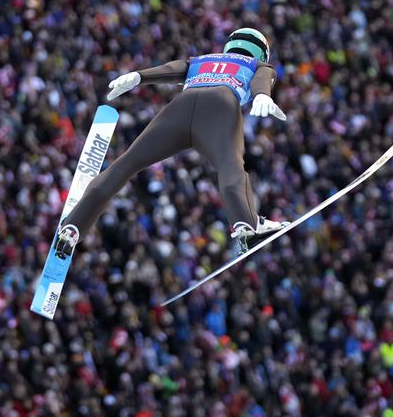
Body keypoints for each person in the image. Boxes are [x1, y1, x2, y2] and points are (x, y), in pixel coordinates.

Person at [55, 28, 290, 258]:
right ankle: (245, 224)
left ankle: (73, 225)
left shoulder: (203, 59)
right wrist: (262, 94)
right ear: (262, 54)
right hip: (220, 106)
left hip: (180, 109)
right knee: (230, 166)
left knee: (127, 163)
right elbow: (263, 77)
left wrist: (139, 77)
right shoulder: (258, 65)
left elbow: (174, 68)